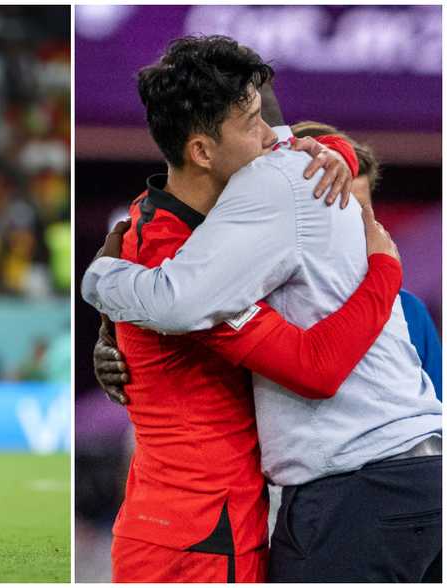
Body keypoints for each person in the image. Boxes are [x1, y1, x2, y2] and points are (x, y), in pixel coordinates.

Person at [83, 35, 442, 583]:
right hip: (197, 531)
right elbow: (312, 366)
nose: (281, 139)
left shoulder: (258, 188)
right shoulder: (185, 260)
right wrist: (100, 283)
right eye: (253, 123)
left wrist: (338, 150)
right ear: (203, 151)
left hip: (344, 492)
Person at [291, 121, 442, 400]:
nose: (358, 228)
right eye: (338, 209)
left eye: (362, 211)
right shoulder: (252, 308)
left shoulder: (409, 313)